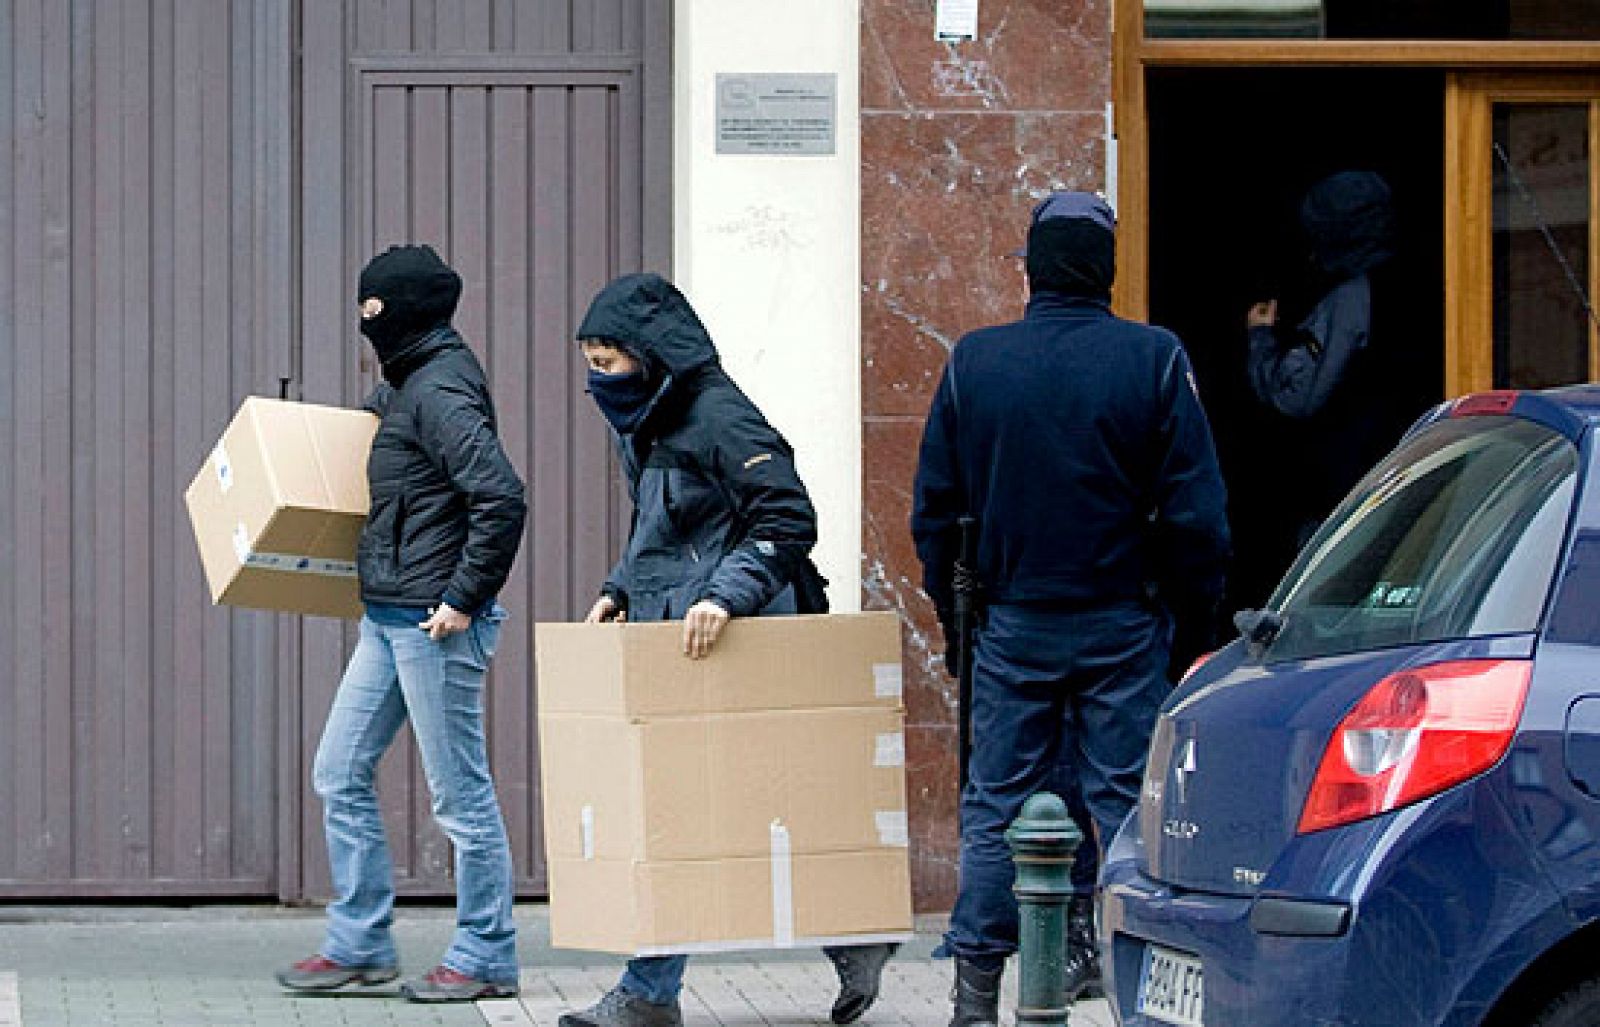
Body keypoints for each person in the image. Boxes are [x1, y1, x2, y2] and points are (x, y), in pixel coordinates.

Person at [912, 192, 1230, 1026]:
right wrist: (1194, 627)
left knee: (995, 805)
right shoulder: (1153, 358)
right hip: (1123, 623)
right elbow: (1199, 517)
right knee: (1126, 802)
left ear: (1033, 269)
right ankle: (1134, 988)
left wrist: (958, 626)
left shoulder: (975, 361)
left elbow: (934, 513)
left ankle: (975, 992)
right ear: (1105, 269)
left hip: (1012, 623)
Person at [557, 272, 897, 1027]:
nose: (596, 379)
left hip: (741, 631)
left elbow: (785, 515)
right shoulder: (643, 419)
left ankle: (654, 991)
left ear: (650, 357)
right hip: (676, 634)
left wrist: (724, 595)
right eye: (589, 361)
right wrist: (619, 588)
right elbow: (662, 528)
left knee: (702, 807)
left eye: (607, 362)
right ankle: (840, 940)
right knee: (698, 807)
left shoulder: (720, 415)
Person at [275, 244, 528, 1003]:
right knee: (338, 769)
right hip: (386, 617)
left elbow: (502, 496)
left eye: (376, 311)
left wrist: (464, 598)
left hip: (433, 624)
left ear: (406, 312)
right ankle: (361, 942)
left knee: (459, 795)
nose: (367, 325)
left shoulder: (442, 388)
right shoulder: (408, 384)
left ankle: (486, 953)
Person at [1246, 170, 1407, 549]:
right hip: (1404, 478)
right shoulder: (1424, 280)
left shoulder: (1352, 297)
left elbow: (1297, 397)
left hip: (1350, 493)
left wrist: (1261, 339)